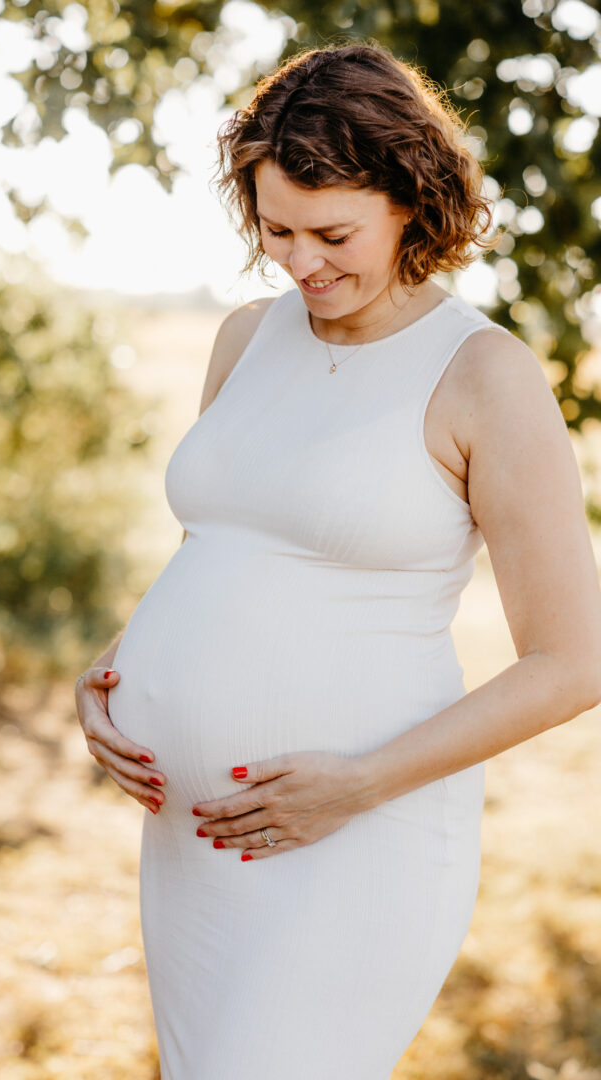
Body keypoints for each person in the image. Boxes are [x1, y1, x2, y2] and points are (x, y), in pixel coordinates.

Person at [74, 40, 601, 1080]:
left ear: (413, 198)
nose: (303, 263)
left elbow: (574, 662)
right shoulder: (244, 337)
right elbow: (219, 548)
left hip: (357, 838)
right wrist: (109, 677)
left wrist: (356, 785)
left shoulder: (482, 375)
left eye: (333, 233)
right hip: (197, 846)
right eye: (276, 230)